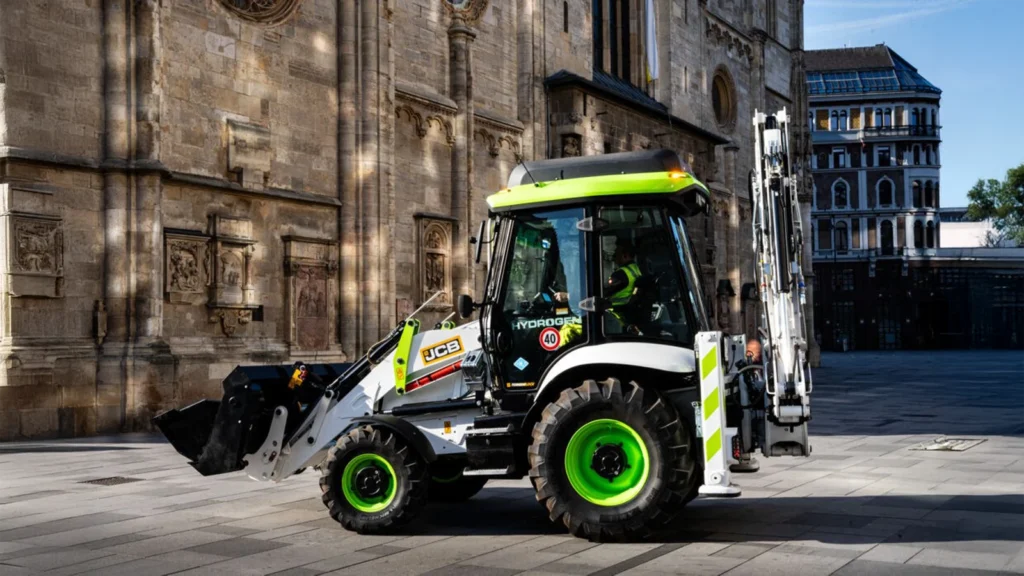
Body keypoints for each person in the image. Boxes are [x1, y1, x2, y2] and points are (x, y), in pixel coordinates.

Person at [557, 237, 643, 346]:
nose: (613, 254)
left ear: (625, 255)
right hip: (620, 316)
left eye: (617, 252)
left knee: (568, 329)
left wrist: (569, 296)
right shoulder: (635, 269)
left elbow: (599, 294)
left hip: (612, 317)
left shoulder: (622, 275)